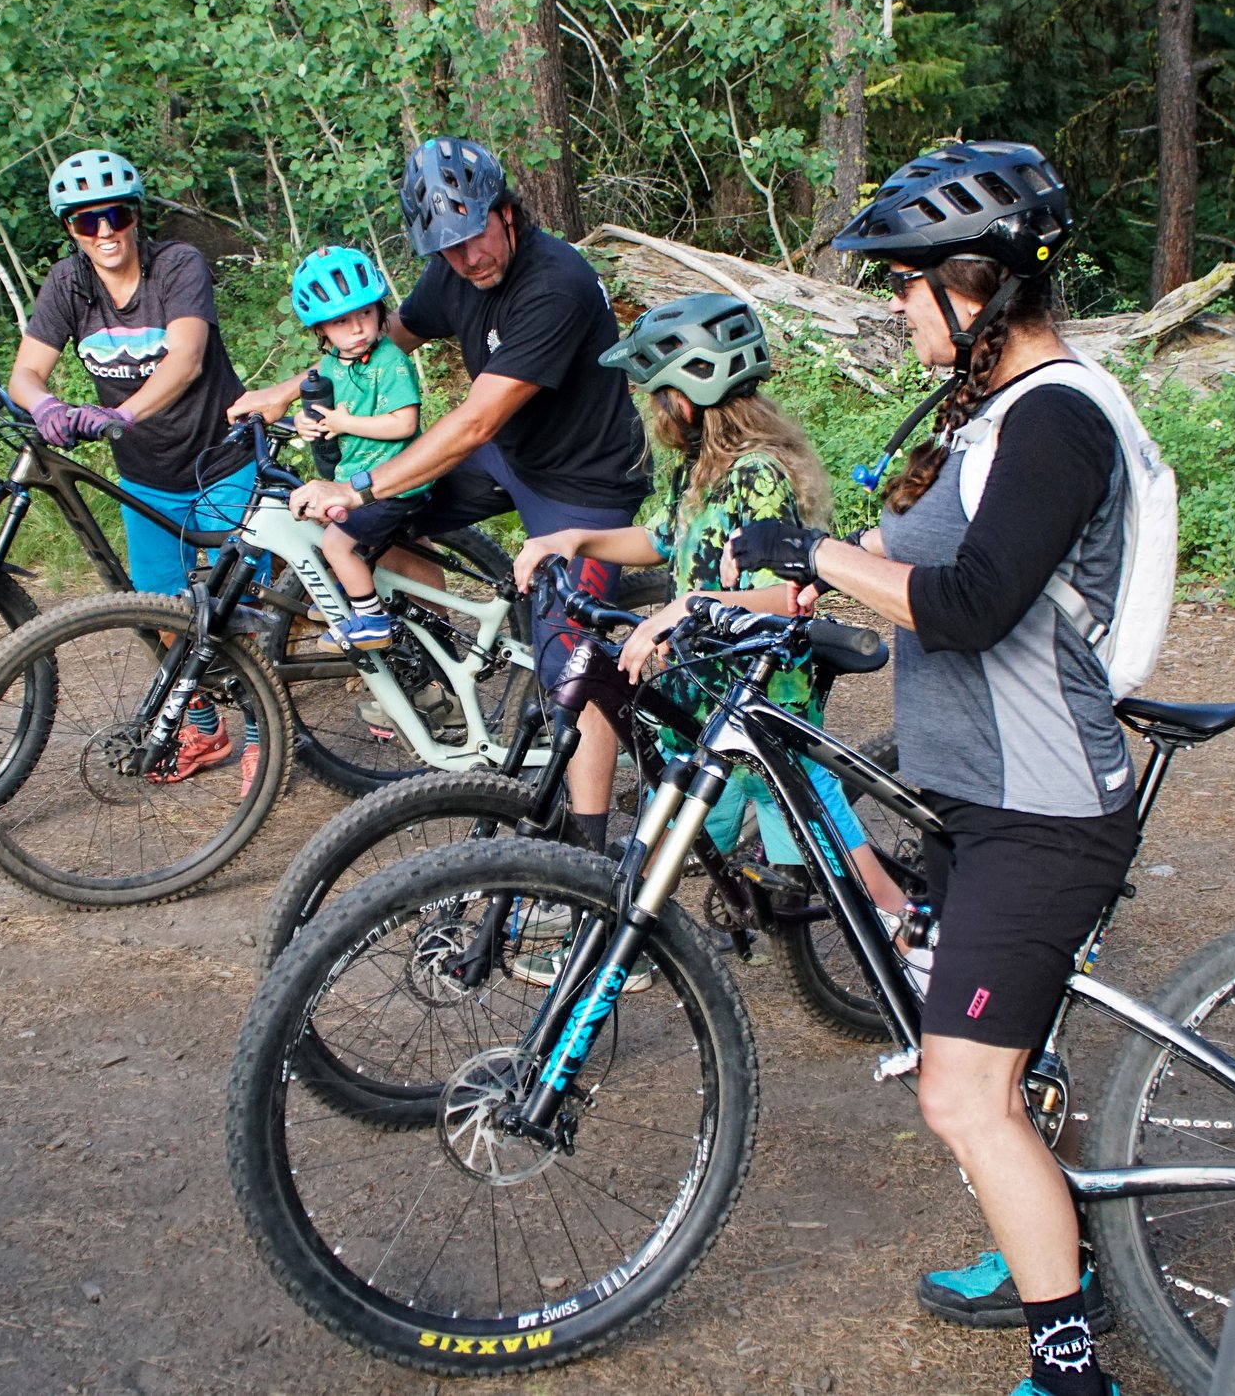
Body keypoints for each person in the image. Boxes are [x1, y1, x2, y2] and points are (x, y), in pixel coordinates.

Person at [721, 142, 1129, 1396]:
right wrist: (794, 579)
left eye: (907, 283)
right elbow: (913, 575)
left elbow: (969, 601)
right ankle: (1051, 1252)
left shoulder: (1055, 415)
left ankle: (1071, 1371)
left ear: (978, 281)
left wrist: (822, 554)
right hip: (984, 791)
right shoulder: (1002, 415)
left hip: (1043, 808)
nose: (895, 305)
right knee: (1003, 1061)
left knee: (961, 1093)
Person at [287, 138, 650, 847]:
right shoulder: (451, 270)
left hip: (585, 480)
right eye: (448, 249)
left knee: (571, 662)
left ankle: (590, 856)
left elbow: (475, 418)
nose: (468, 259)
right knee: (381, 527)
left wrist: (358, 485)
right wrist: (293, 391)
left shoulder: (556, 282)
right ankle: (450, 654)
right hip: (507, 457)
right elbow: (389, 336)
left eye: (475, 235)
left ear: (506, 211)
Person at [514, 292, 909, 919]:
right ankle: (629, 942)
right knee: (664, 844)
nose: (653, 412)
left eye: (655, 395)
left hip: (766, 710)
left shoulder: (757, 474)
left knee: (852, 883)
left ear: (685, 396)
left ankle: (915, 948)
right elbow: (662, 541)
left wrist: (688, 605)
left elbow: (788, 596)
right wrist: (576, 537)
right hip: (706, 707)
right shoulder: (701, 469)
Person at [6, 146, 257, 789]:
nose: (104, 231)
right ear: (70, 229)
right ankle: (202, 727)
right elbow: (26, 373)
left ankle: (266, 735)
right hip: (146, 477)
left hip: (220, 460)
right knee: (159, 610)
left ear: (135, 216)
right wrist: (47, 407)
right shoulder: (69, 284)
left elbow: (187, 359)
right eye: (87, 221)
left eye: (115, 215)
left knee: (239, 610)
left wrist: (122, 415)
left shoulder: (177, 266)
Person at [229, 246, 423, 653]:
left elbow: (403, 423)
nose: (358, 329)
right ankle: (352, 591)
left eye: (366, 314)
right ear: (321, 331)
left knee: (336, 543)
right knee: (318, 519)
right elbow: (327, 414)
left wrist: (342, 423)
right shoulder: (335, 364)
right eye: (341, 321)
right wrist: (309, 423)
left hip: (392, 480)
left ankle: (371, 619)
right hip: (354, 475)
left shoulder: (390, 362)